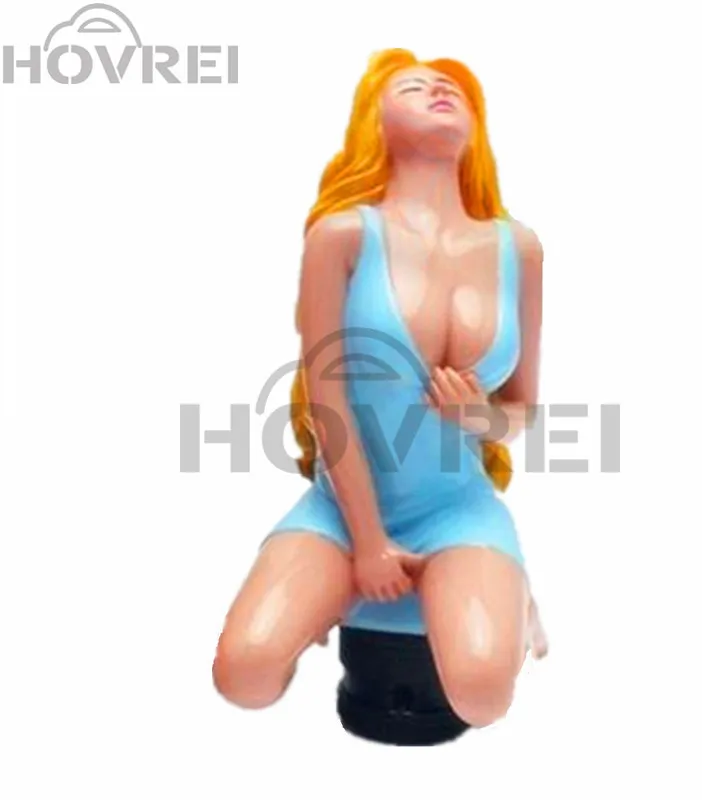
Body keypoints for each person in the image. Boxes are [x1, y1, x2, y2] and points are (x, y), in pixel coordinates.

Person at [213, 48, 547, 729]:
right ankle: (327, 594)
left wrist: (481, 417)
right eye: (412, 87)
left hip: (456, 511)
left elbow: (522, 412)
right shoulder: (340, 237)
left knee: (483, 695)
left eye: (452, 87)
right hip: (341, 514)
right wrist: (367, 544)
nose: (438, 89)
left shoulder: (518, 249)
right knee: (243, 675)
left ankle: (511, 596)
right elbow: (327, 402)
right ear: (376, 122)